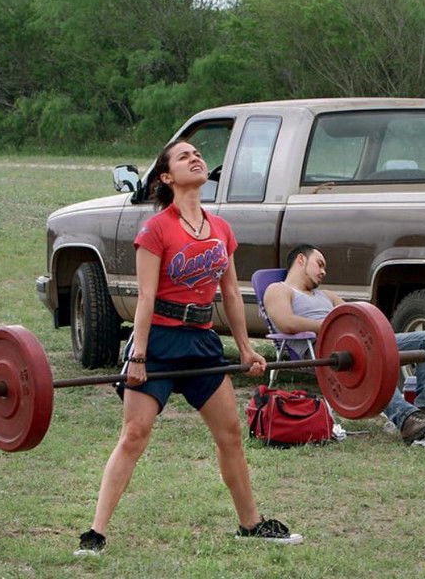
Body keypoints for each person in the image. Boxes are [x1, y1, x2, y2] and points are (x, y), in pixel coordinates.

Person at [74, 141, 303, 556]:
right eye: (184, 157)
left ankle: (250, 524)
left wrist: (246, 349)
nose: (195, 158)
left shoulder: (221, 229)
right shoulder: (155, 229)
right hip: (159, 341)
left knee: (231, 434)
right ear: (166, 177)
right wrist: (138, 356)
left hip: (201, 341)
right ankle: (96, 532)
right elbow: (145, 297)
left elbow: (230, 294)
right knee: (134, 435)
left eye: (197, 154)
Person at [263, 244, 425, 445]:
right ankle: (406, 419)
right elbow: (286, 323)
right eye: (320, 264)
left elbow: (357, 318)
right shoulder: (278, 289)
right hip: (322, 349)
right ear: (301, 259)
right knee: (368, 358)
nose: (323, 272)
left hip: (354, 342)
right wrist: (330, 326)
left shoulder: (328, 295)